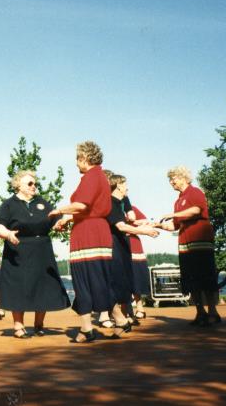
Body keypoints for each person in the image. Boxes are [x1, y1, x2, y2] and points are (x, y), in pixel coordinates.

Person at [50, 141, 131, 342]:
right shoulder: (99, 177)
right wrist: (68, 218)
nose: (76, 164)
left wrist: (60, 210)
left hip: (89, 234)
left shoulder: (91, 177)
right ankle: (104, 323)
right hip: (92, 230)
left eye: (77, 159)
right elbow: (87, 207)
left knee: (88, 279)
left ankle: (99, 325)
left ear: (84, 158)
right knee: (93, 279)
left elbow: (82, 204)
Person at [0, 170, 70, 339]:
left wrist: (59, 224)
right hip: (17, 249)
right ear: (18, 185)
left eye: (35, 183)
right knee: (17, 287)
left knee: (43, 285)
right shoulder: (9, 204)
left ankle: (39, 324)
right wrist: (7, 234)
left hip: (42, 249)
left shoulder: (42, 202)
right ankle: (18, 326)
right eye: (29, 183)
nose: (34, 186)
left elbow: (55, 219)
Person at [156, 166, 221, 326]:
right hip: (185, 243)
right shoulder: (178, 201)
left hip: (200, 241)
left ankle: (213, 312)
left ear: (183, 177)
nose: (171, 182)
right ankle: (200, 313)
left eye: (174, 178)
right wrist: (157, 226)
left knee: (205, 276)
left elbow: (196, 210)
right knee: (191, 278)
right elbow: (175, 226)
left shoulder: (195, 192)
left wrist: (173, 214)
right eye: (170, 179)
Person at [105, 174, 158, 324]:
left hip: (123, 244)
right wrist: (145, 231)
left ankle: (126, 315)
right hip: (114, 244)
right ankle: (121, 317)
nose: (128, 187)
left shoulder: (122, 202)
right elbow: (121, 226)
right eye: (125, 184)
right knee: (117, 281)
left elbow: (133, 218)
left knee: (126, 279)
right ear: (119, 185)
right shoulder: (110, 203)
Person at [128, 205, 151, 319]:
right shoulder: (107, 206)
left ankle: (139, 307)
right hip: (116, 245)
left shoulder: (130, 207)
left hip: (133, 245)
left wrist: (133, 222)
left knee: (136, 278)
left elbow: (145, 221)